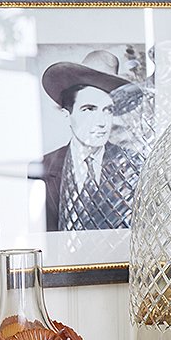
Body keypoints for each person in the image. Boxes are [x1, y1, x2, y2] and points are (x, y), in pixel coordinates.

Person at [29, 50, 141, 232]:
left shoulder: (134, 165)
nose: (101, 123)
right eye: (89, 109)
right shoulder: (42, 168)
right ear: (67, 114)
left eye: (108, 110)